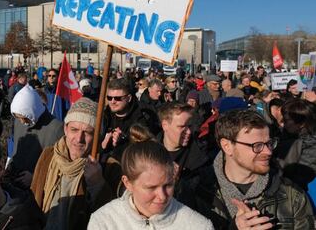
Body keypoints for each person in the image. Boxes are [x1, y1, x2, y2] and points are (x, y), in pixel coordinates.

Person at [179, 110, 315, 229]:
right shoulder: (195, 191)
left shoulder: (292, 196)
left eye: (269, 143)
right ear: (227, 146)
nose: (268, 151)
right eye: (257, 145)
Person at [88, 140, 214, 229]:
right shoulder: (104, 222)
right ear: (128, 183)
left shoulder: (198, 225)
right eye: (151, 187)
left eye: (168, 185)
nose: (162, 196)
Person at [31, 97, 115, 229]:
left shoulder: (107, 167)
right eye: (74, 130)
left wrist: (98, 185)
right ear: (65, 129)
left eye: (87, 132)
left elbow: (114, 219)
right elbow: (33, 200)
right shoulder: (48, 156)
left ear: (97, 135)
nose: (79, 139)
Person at [6, 85, 64, 189]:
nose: (22, 122)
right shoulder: (19, 122)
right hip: (15, 184)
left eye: (25, 118)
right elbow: (16, 151)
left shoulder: (56, 128)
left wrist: (35, 177)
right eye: (19, 118)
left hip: (38, 188)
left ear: (34, 109)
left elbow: (58, 166)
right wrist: (8, 169)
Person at [101, 78, 158, 161]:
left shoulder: (143, 116)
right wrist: (103, 145)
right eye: (109, 98)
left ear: (129, 98)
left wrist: (124, 140)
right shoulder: (105, 115)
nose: (112, 101)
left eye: (118, 98)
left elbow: (146, 148)